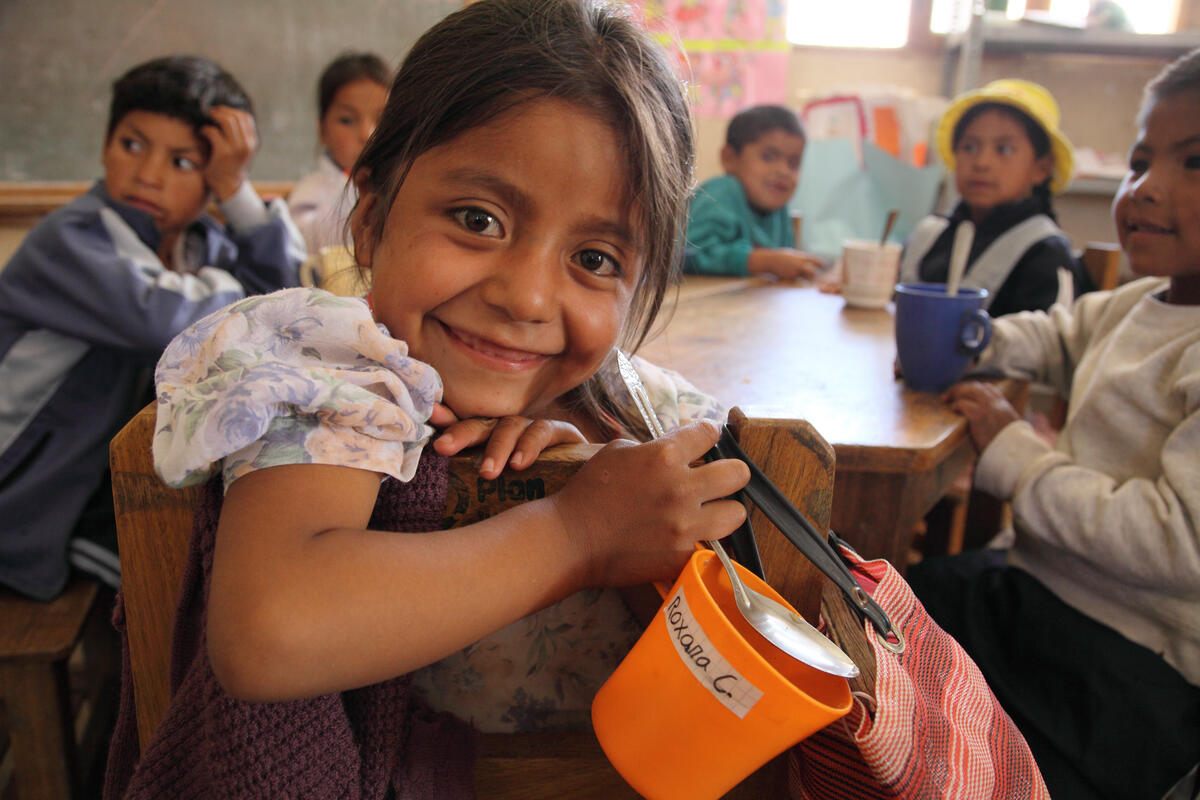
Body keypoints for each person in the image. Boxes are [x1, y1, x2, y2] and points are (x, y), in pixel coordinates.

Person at [107, 1, 749, 795]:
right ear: (371, 220)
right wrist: (573, 533)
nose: (526, 297)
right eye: (478, 219)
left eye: (594, 257)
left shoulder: (643, 413)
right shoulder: (332, 369)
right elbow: (269, 632)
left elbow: (768, 600)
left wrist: (594, 455)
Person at [908, 50, 1200, 800]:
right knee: (873, 612)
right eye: (1140, 162)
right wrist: (982, 337)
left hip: (1126, 675)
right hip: (1034, 595)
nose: (1145, 189)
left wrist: (1017, 456)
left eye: (1194, 162)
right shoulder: (1142, 303)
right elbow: (1059, 332)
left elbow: (1177, 540)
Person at [0, 56, 304, 602]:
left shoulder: (197, 244)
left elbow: (286, 303)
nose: (148, 173)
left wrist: (236, 192)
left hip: (85, 481)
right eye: (132, 145)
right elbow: (165, 321)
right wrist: (234, 288)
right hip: (24, 496)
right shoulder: (71, 239)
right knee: (183, 579)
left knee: (219, 551)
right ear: (104, 146)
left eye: (182, 161)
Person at [899, 79, 1085, 316]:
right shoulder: (928, 236)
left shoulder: (1045, 254)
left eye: (1004, 149)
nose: (981, 163)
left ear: (1041, 168)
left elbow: (1046, 344)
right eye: (969, 147)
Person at [683, 104, 825, 280]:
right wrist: (761, 261)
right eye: (768, 157)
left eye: (793, 163)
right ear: (730, 158)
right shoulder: (721, 193)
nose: (783, 171)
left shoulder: (780, 210)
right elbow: (687, 255)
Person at [288, 51, 391, 254]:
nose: (366, 134)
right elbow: (301, 243)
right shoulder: (310, 192)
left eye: (381, 120)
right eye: (347, 120)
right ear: (323, 130)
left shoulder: (404, 185)